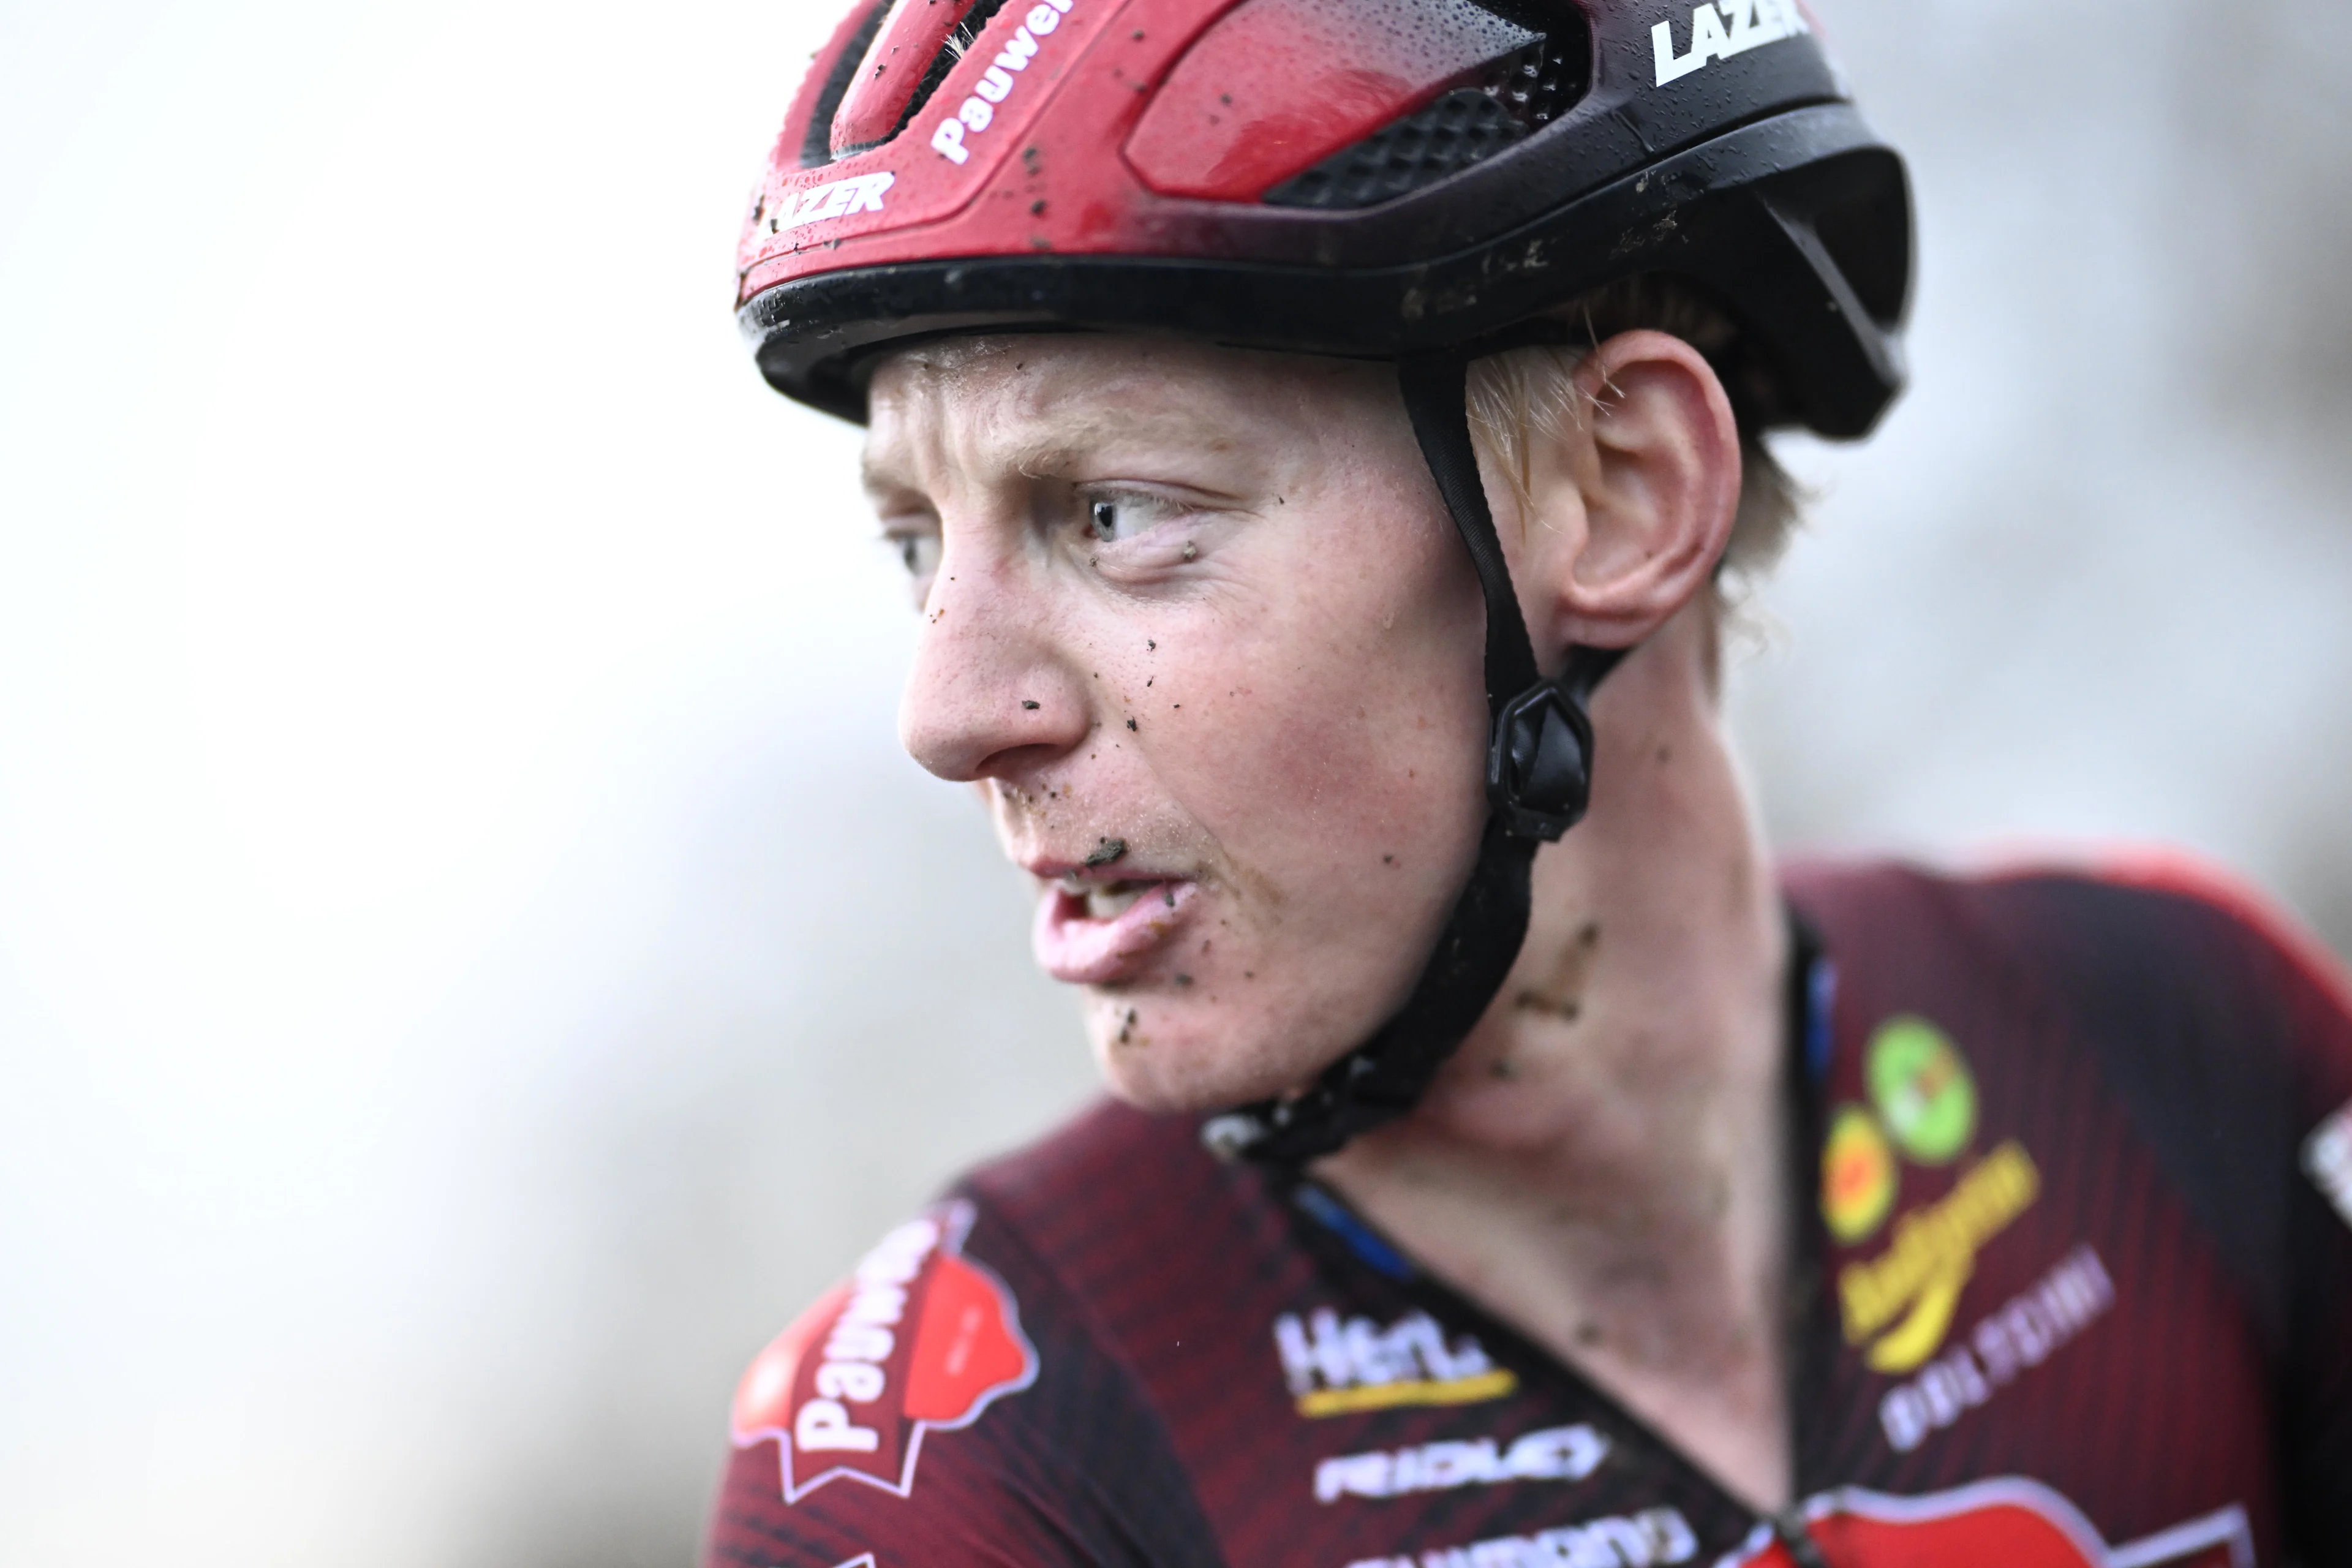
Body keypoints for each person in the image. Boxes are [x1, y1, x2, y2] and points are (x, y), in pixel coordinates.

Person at [704, 0, 2352, 1563]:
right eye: (915, 538)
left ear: (1623, 495)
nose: (946, 708)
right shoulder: (960, 1467)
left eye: (1115, 515)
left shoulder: (2178, 1039)